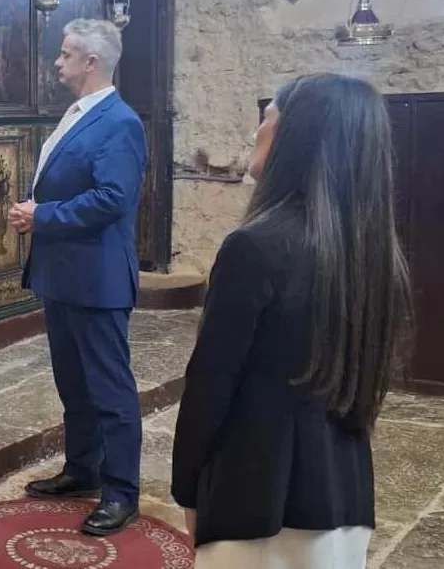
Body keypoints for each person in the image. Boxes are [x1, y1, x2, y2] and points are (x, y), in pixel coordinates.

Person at [171, 73, 412, 568]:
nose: (255, 132)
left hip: (258, 504)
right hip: (344, 498)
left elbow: (210, 386)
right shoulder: (375, 253)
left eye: (266, 119)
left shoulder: (255, 247)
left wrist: (188, 489)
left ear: (294, 135)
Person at [10, 18, 147, 536]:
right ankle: (83, 468)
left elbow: (113, 198)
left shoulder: (120, 121)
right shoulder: (78, 113)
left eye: (66, 53)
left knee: (109, 390)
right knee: (73, 383)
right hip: (63, 273)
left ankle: (122, 492)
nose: (57, 61)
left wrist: (41, 216)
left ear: (92, 61)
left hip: (97, 277)